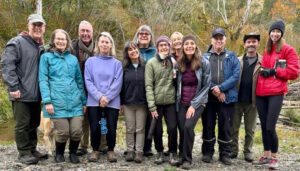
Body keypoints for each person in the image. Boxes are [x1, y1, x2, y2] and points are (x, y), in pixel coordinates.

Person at [1, 14, 47, 165]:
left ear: (44, 29)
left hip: (36, 94)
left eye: (40, 25)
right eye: (34, 25)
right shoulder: (17, 42)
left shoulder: (40, 46)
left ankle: (32, 149)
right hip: (21, 93)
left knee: (33, 124)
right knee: (22, 125)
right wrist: (13, 86)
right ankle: (24, 152)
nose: (37, 28)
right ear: (28, 26)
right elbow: (7, 65)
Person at [255, 19, 299, 169]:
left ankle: (274, 156)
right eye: (273, 31)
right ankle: (266, 154)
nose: (275, 34)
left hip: (276, 93)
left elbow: (294, 72)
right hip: (261, 92)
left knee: (270, 126)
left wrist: (275, 71)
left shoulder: (288, 50)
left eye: (278, 32)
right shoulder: (267, 49)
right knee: (263, 126)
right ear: (269, 33)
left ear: (281, 34)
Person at [39, 29, 86, 163]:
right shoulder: (46, 58)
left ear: (67, 42)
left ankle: (72, 153)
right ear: (53, 40)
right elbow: (43, 80)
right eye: (58, 39)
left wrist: (83, 101)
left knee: (76, 131)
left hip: (75, 102)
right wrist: (47, 101)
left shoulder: (73, 59)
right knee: (63, 132)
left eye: (63, 39)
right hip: (56, 102)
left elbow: (79, 81)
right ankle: (59, 153)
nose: (61, 41)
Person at [201, 28, 240, 165]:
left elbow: (236, 76)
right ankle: (208, 152)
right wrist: (215, 89)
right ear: (212, 40)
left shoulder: (232, 56)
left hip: (227, 97)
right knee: (208, 125)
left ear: (225, 40)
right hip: (209, 97)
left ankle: (225, 154)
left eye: (221, 38)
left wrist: (222, 88)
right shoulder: (204, 57)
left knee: (226, 126)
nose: (218, 41)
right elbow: (203, 76)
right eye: (216, 38)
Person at [84, 32, 123, 163]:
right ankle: (95, 150)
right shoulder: (90, 62)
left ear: (111, 44)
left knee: (111, 126)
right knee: (95, 126)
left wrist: (107, 97)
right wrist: (100, 97)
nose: (105, 44)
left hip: (112, 101)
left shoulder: (117, 64)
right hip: (94, 101)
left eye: (107, 42)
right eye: (102, 41)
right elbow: (88, 81)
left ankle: (110, 150)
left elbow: (118, 83)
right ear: (98, 44)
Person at [71, 20, 107, 156]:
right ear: (78, 32)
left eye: (88, 31)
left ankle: (103, 145)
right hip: (79, 88)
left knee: (102, 118)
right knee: (83, 119)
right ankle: (83, 145)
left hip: (99, 89)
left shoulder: (99, 47)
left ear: (92, 33)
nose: (85, 34)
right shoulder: (72, 47)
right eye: (83, 31)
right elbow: (55, 47)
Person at [176, 35, 211, 169]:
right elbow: (176, 83)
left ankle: (187, 159)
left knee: (188, 127)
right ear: (183, 47)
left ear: (195, 46)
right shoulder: (179, 63)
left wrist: (194, 105)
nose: (189, 46)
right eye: (186, 44)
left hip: (198, 102)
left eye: (192, 44)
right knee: (182, 129)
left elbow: (206, 86)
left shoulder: (204, 62)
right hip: (181, 101)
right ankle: (182, 155)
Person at [145, 36, 178, 166]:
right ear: (157, 47)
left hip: (170, 101)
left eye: (166, 45)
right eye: (161, 45)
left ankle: (172, 152)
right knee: (157, 130)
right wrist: (152, 106)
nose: (164, 47)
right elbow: (148, 86)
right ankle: (159, 151)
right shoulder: (151, 63)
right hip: (157, 103)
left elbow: (178, 82)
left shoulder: (173, 62)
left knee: (172, 128)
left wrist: (175, 67)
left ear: (169, 47)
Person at [230, 33, 262, 163]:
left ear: (258, 44)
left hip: (253, 101)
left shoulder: (263, 61)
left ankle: (248, 151)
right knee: (233, 127)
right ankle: (233, 150)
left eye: (254, 41)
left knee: (250, 129)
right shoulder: (237, 60)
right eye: (248, 42)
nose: (251, 44)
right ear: (244, 45)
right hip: (236, 100)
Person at [121, 41, 147, 163]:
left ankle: (139, 152)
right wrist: (121, 103)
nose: (133, 51)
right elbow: (120, 86)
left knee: (140, 129)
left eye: (135, 48)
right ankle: (130, 150)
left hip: (142, 103)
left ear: (138, 50)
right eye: (130, 50)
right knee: (130, 128)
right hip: (128, 103)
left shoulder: (145, 65)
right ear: (127, 53)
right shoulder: (124, 68)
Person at [132, 25, 156, 156]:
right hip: (135, 91)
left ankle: (147, 147)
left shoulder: (155, 52)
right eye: (141, 33)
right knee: (135, 121)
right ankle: (134, 147)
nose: (144, 35)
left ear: (151, 37)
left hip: (151, 91)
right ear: (137, 35)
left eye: (147, 33)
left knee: (149, 120)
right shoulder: (132, 50)